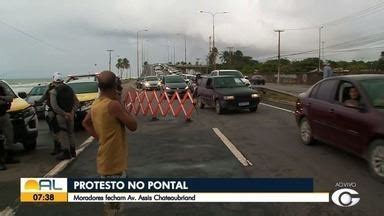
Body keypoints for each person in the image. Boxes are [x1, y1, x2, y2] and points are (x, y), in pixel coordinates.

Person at [82, 71, 137, 216]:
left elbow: (86, 123)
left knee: (110, 205)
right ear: (115, 86)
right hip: (114, 165)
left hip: (105, 160)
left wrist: (101, 138)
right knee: (114, 208)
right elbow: (133, 125)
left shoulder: (97, 103)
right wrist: (119, 102)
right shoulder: (113, 105)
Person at [49, 72, 79, 160]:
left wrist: (64, 114)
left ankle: (66, 152)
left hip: (61, 116)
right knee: (70, 133)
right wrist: (72, 112)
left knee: (63, 134)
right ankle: (73, 151)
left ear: (54, 81)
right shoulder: (70, 89)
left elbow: (54, 107)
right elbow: (76, 102)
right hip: (71, 115)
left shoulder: (53, 91)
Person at [35, 81, 62, 155]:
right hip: (63, 112)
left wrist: (37, 102)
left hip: (53, 111)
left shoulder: (51, 89)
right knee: (62, 130)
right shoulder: (65, 88)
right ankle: (64, 148)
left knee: (54, 130)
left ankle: (58, 147)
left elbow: (43, 98)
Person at [0, 84, 19, 170]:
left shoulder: (1, 87)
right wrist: (4, 100)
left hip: (4, 114)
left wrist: (2, 98)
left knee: (9, 136)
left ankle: (9, 157)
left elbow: (10, 98)